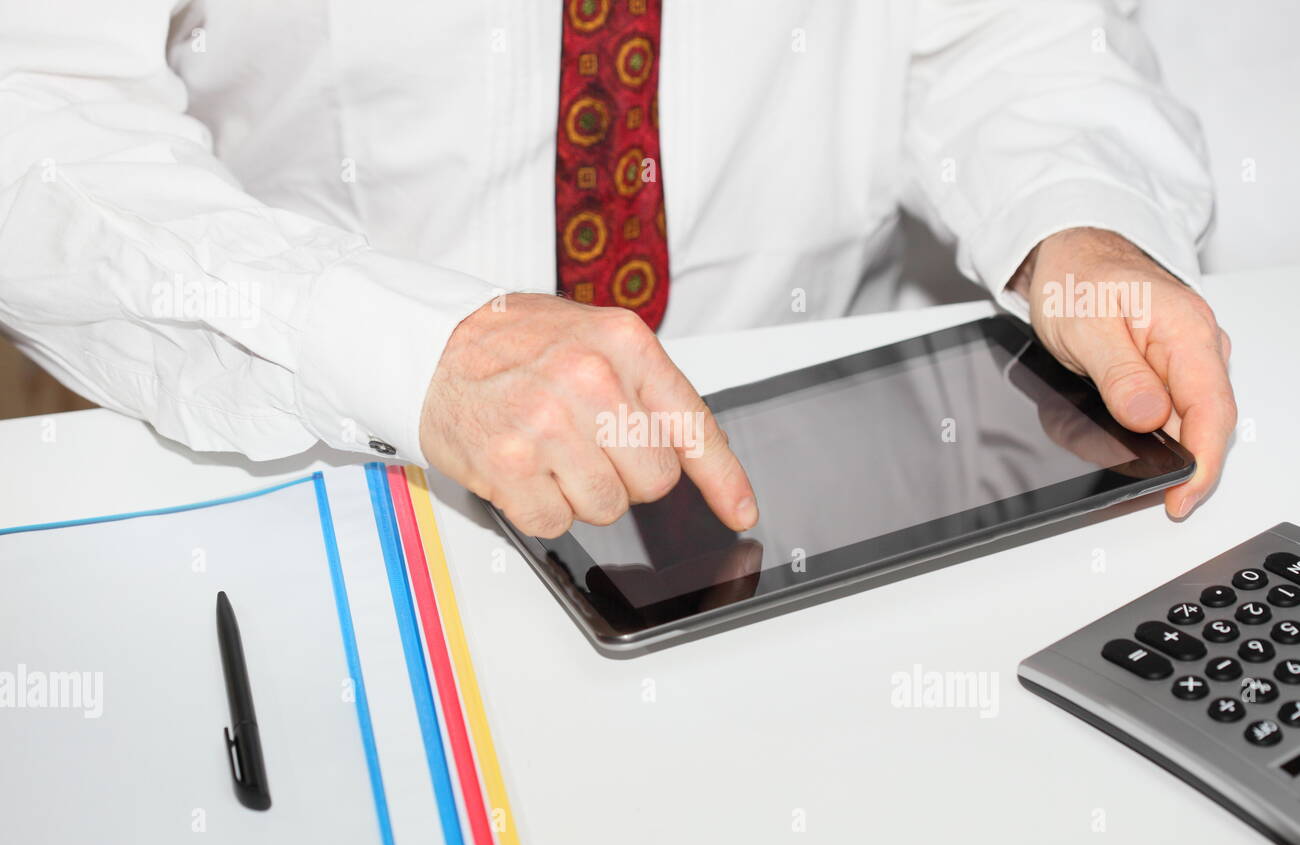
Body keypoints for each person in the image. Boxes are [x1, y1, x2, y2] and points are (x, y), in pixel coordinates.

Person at [0, 0, 1234, 538]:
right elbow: (37, 99)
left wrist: (1079, 220)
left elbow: (997, 30)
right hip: (313, 446)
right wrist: (403, 348)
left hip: (820, 462)